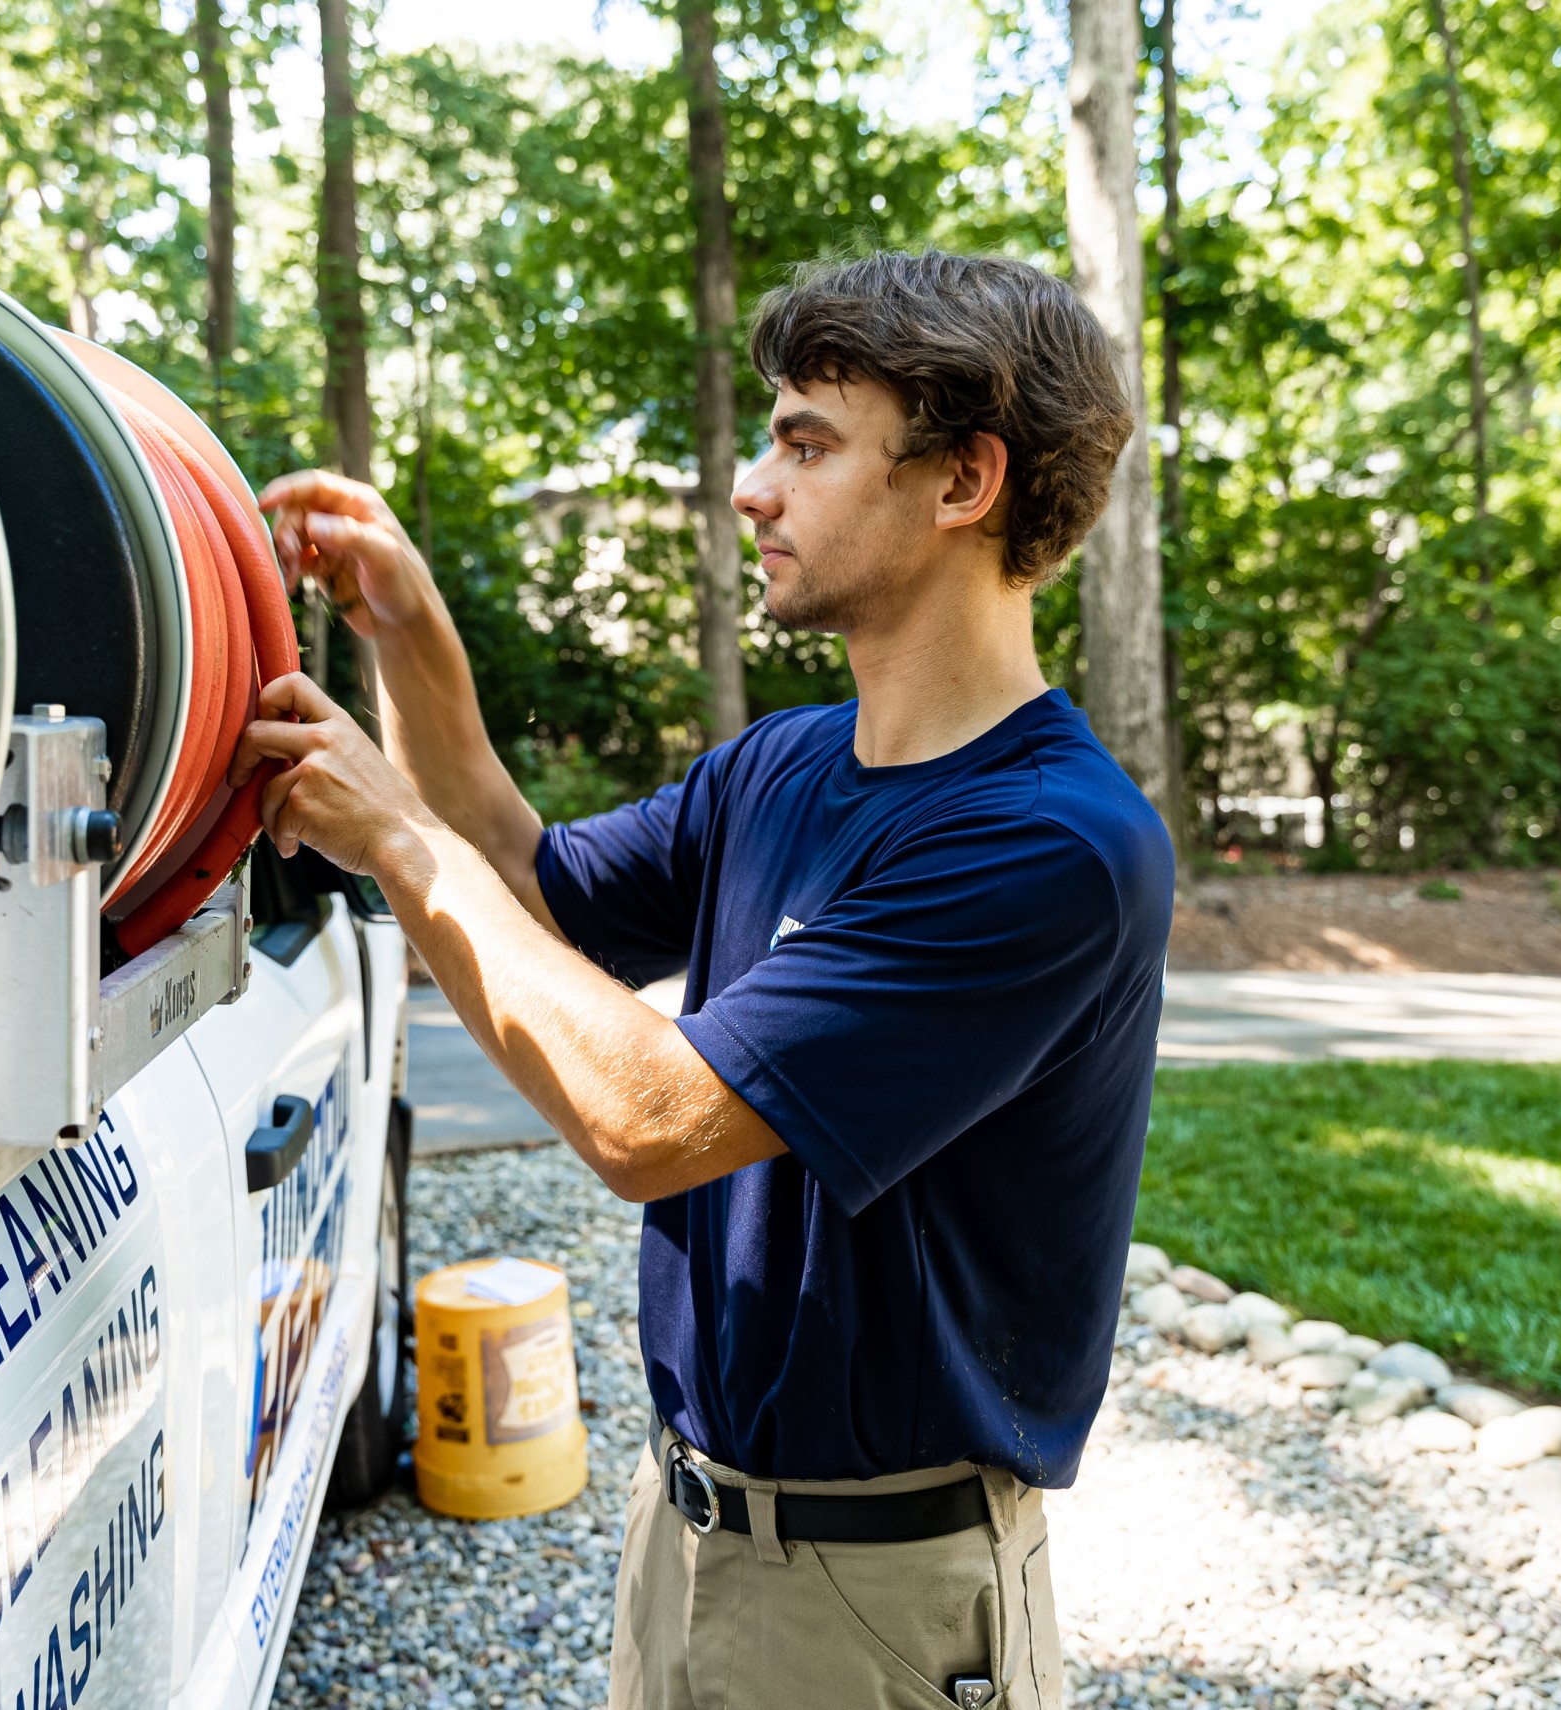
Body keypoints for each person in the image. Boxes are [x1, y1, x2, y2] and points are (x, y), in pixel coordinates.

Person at [239, 250, 1173, 1710]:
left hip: (875, 1601)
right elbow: (530, 885)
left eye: (808, 444)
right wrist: (406, 628)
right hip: (681, 1530)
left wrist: (395, 839)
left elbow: (649, 1120)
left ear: (964, 480)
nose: (751, 488)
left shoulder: (1049, 844)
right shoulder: (783, 764)